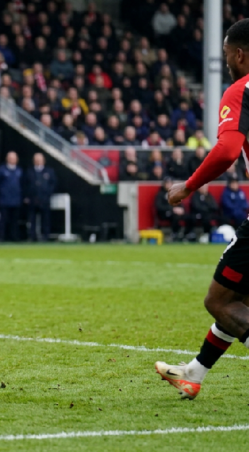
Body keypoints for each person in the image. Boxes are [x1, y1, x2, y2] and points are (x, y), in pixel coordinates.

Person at [156, 19, 249, 399]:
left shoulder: (240, 90)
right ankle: (194, 373)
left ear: (240, 54)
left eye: (228, 56)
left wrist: (188, 186)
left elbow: (227, 151)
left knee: (218, 301)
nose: (228, 62)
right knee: (239, 300)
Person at [24, 153, 57, 242]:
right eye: (36, 159)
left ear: (44, 161)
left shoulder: (49, 171)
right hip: (32, 200)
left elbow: (53, 184)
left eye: (40, 159)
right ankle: (32, 237)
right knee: (32, 220)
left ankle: (45, 236)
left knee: (46, 220)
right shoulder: (29, 171)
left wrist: (48, 194)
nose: (38, 161)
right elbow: (25, 185)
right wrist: (27, 197)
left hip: (44, 199)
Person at [0, 151, 22, 242]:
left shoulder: (19, 170)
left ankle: (14, 237)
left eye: (14, 158)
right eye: (10, 158)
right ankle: (1, 237)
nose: (12, 160)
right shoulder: (1, 170)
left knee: (14, 221)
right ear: (7, 159)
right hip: (4, 200)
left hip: (16, 200)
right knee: (3, 220)